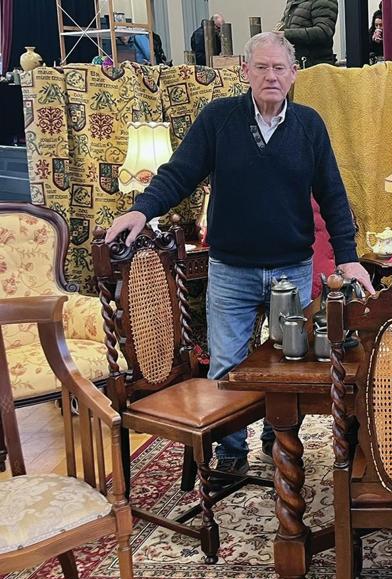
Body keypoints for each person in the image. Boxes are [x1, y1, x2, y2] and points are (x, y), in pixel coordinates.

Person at [105, 31, 374, 481]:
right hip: (231, 269)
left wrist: (347, 258)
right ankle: (230, 451)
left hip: (292, 267)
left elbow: (332, 195)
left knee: (289, 365)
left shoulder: (309, 125)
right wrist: (141, 209)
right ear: (245, 71)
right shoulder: (219, 119)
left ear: (293, 74)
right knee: (227, 365)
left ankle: (278, 435)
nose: (271, 76)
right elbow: (179, 174)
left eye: (280, 68)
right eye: (262, 67)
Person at [279, 0, 338, 67]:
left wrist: (286, 34)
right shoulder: (292, 1)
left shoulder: (324, 1)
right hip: (295, 63)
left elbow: (324, 32)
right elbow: (286, 25)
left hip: (315, 66)